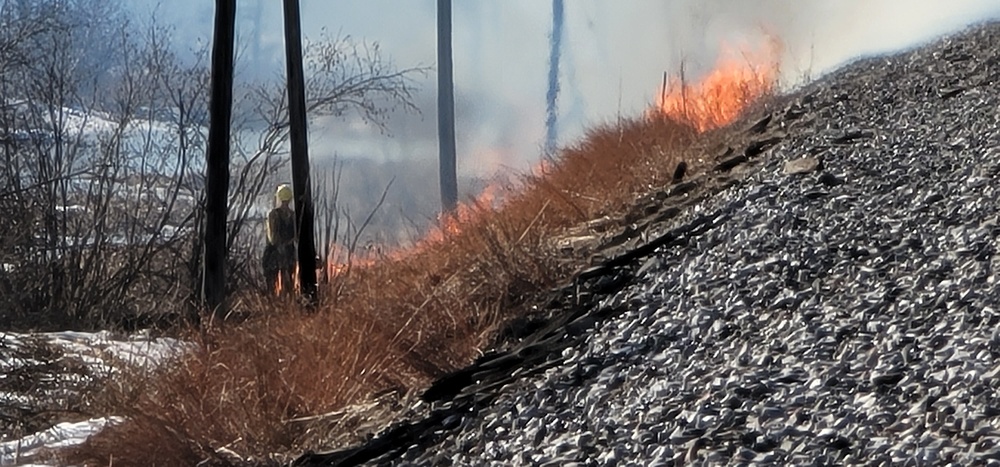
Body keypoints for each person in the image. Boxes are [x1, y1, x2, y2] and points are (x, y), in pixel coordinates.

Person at [262, 184, 296, 294]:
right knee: (287, 283)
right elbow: (295, 236)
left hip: (274, 254)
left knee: (273, 285)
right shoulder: (293, 215)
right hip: (285, 253)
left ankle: (275, 306)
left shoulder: (273, 215)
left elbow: (272, 238)